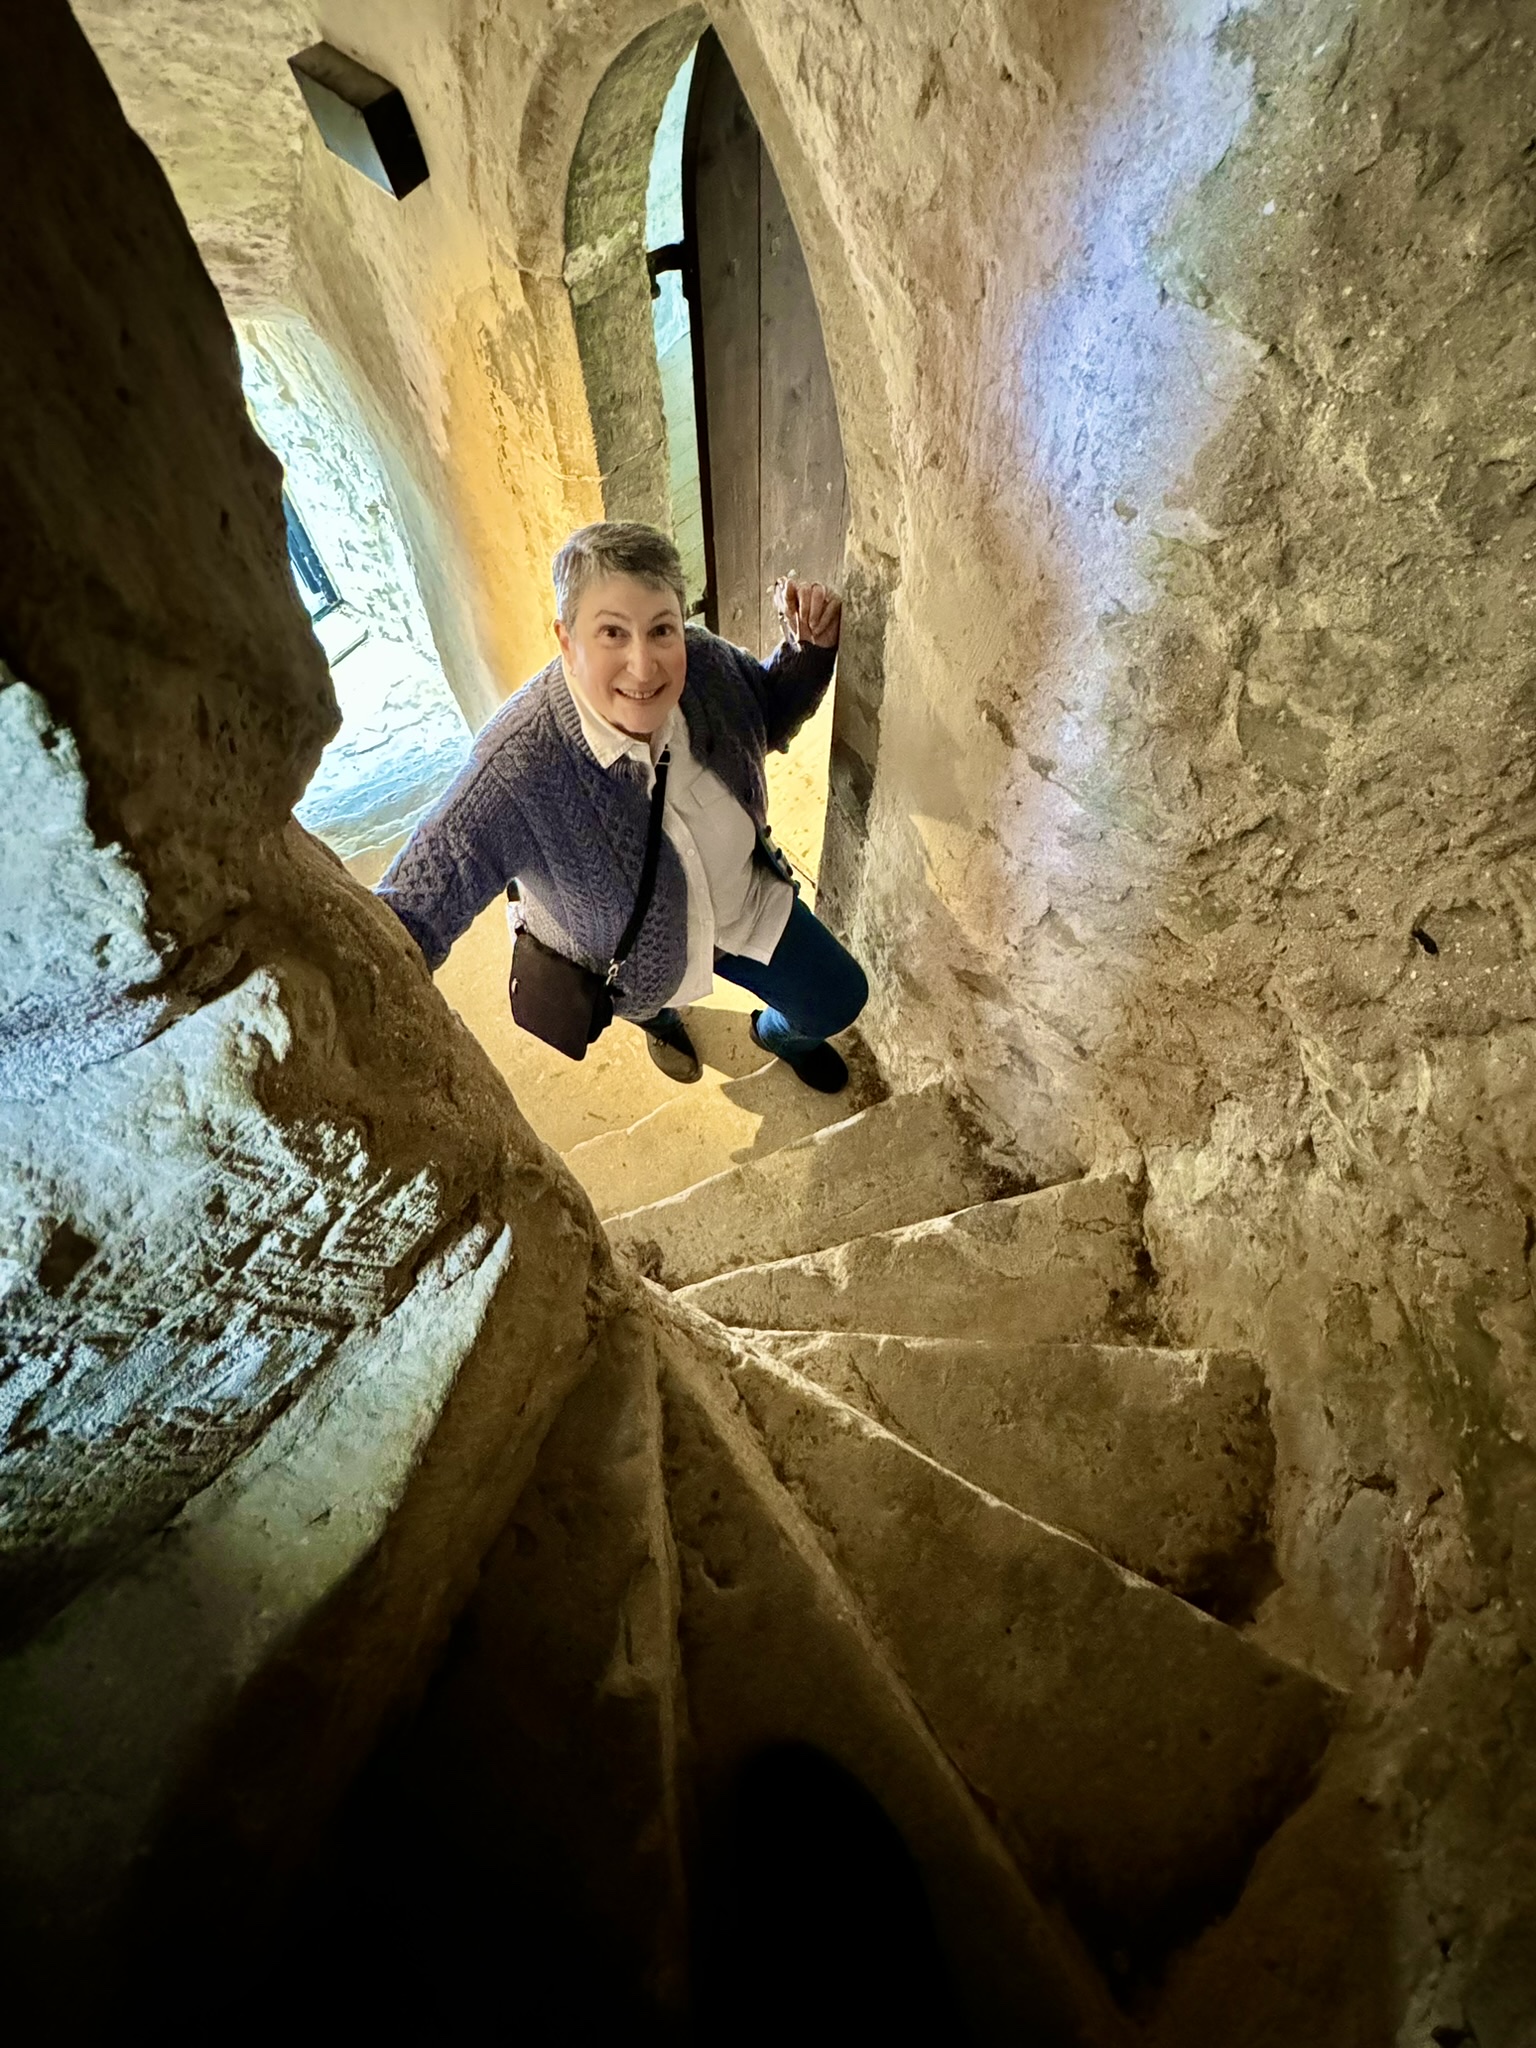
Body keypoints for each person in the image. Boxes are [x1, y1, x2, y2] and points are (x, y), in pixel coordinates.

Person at [376, 520, 869, 1092]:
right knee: (647, 997)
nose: (643, 665)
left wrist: (810, 652)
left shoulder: (704, 664)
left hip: (744, 907)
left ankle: (778, 1035)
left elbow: (765, 713)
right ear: (567, 640)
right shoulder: (516, 766)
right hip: (632, 965)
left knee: (837, 997)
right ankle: (659, 1020)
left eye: (661, 629)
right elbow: (406, 917)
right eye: (612, 632)